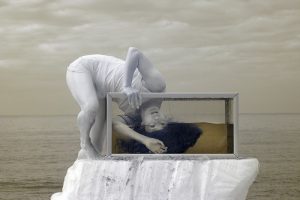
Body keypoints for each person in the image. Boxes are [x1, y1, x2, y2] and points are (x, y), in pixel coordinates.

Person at [66, 47, 167, 159]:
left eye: (152, 125)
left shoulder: (136, 116)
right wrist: (127, 86)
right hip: (84, 68)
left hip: (103, 91)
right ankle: (85, 142)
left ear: (143, 124)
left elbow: (115, 123)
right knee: (90, 107)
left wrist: (145, 140)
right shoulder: (157, 88)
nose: (157, 120)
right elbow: (134, 52)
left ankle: (83, 158)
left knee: (96, 148)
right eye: (163, 123)